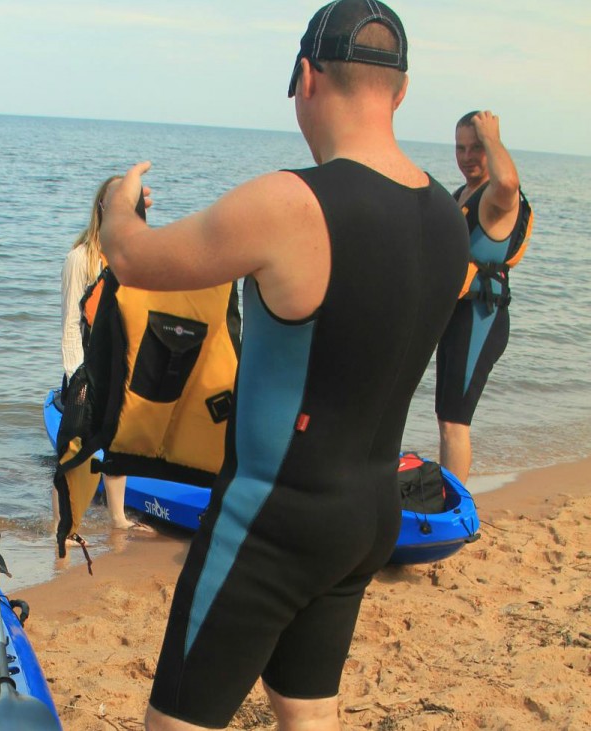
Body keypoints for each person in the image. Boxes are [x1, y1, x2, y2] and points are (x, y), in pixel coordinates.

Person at [99, 2, 470, 729]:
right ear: (399, 90)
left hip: (271, 522)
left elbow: (129, 258)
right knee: (306, 711)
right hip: (366, 516)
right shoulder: (446, 218)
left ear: (306, 76)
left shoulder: (291, 203)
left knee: (176, 721)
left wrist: (119, 204)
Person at [436, 110, 530, 484]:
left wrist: (493, 137)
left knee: (455, 422)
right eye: (461, 148)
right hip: (458, 315)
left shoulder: (497, 196)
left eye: (476, 147)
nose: (467, 157)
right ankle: (445, 500)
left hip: (481, 317)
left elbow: (507, 179)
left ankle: (453, 512)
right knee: (447, 418)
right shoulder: (464, 194)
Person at [55, 176, 142, 532]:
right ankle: (63, 524)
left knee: (118, 446)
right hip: (84, 371)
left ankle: (117, 519)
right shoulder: (81, 258)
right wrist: (79, 377)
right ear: (102, 206)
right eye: (115, 201)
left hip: (119, 368)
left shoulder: (133, 257)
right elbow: (70, 324)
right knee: (74, 451)